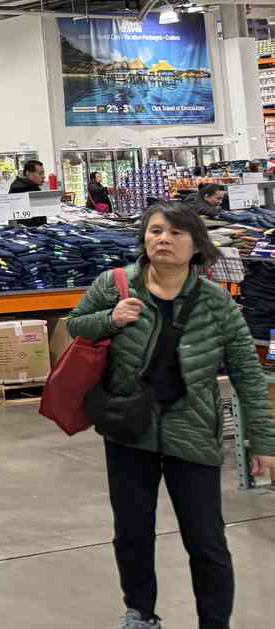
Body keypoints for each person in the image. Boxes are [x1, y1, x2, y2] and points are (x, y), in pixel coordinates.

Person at [65, 201, 275, 629]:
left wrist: (264, 442)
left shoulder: (217, 303)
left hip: (193, 431)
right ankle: (141, 613)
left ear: (197, 245)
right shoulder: (116, 284)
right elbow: (75, 325)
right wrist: (110, 318)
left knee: (206, 540)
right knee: (132, 533)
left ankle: (214, 621)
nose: (164, 239)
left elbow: (249, 376)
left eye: (176, 233)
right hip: (129, 431)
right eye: (156, 230)